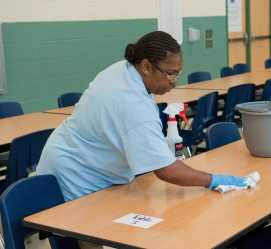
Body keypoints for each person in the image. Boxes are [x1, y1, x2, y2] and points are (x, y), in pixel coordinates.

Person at [37, 31, 246, 248]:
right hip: (75, 171)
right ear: (146, 66)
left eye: (178, 73)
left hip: (91, 161)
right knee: (92, 233)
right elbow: (166, 170)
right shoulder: (131, 104)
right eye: (170, 74)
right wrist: (212, 180)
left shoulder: (125, 70)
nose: (174, 82)